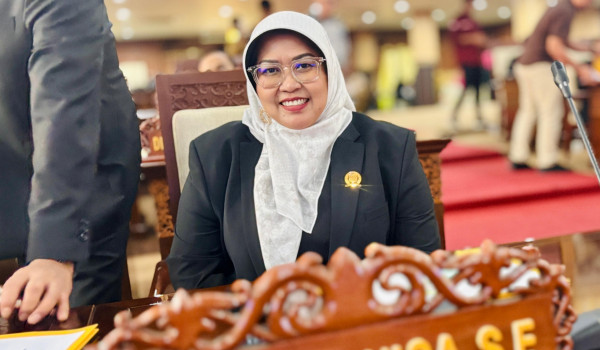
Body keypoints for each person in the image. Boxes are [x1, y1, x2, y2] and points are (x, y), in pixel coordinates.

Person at [166, 11, 440, 289]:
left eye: (305, 66)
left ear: (330, 70)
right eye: (270, 70)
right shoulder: (214, 155)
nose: (289, 85)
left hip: (364, 312)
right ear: (254, 83)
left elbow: (420, 263)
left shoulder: (391, 148)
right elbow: (193, 273)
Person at [0, 0, 141, 324]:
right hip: (11, 175)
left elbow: (62, 112)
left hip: (80, 181)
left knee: (69, 325)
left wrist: (54, 252)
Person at [509, 0, 597, 172]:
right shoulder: (565, 10)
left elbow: (563, 41)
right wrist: (580, 69)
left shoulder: (559, 7)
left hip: (525, 64)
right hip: (540, 66)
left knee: (528, 111)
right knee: (550, 111)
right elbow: (554, 47)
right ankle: (547, 160)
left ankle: (518, 156)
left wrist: (589, 48)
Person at [448, 0, 488, 131]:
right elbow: (456, 39)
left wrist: (480, 40)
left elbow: (482, 40)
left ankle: (479, 118)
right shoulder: (458, 22)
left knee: (478, 91)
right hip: (466, 62)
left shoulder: (474, 22)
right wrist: (472, 38)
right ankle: (454, 117)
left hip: (477, 62)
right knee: (466, 89)